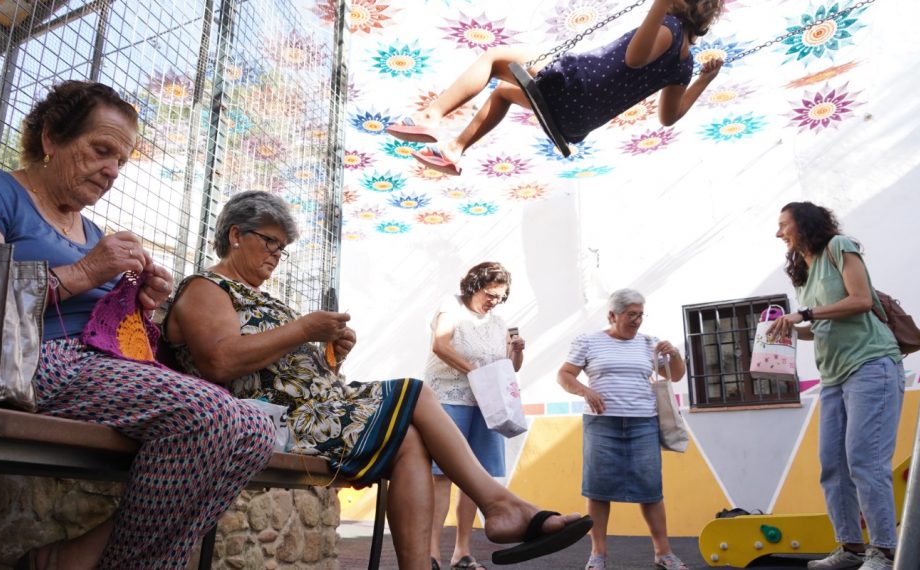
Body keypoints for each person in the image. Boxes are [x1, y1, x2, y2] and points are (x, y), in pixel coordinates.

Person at [0, 80, 276, 570]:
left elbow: (100, 325)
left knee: (254, 431)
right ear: (52, 138)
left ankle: (81, 558)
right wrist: (87, 272)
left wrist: (142, 305)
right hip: (27, 360)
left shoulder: (90, 230)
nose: (112, 171)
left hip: (92, 367)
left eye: (120, 160)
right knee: (207, 412)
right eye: (101, 151)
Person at [162, 191, 593, 569]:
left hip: (315, 414)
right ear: (237, 234)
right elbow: (219, 361)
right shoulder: (207, 288)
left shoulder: (264, 300)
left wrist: (329, 357)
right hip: (273, 423)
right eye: (270, 241)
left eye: (283, 247)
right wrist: (302, 330)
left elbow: (286, 370)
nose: (277, 254)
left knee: (410, 442)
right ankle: (500, 507)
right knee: (414, 391)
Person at [386, 0, 725, 175]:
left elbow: (635, 58)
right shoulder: (685, 64)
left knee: (493, 57)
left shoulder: (667, 24)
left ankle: (431, 115)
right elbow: (670, 116)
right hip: (577, 121)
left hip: (576, 84)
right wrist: (703, 80)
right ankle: (454, 150)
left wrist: (658, 5)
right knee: (504, 92)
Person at [768, 202, 904, 570]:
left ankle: (884, 550)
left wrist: (805, 313)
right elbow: (820, 327)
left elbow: (859, 301)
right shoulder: (803, 272)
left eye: (784, 225)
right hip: (833, 375)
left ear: (804, 224)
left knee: (865, 460)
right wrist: (791, 330)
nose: (779, 233)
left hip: (871, 364)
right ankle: (850, 547)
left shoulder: (839, 247)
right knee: (832, 464)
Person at [555, 288, 689, 570]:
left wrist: (674, 354)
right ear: (612, 315)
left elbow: (675, 374)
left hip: (643, 424)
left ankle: (664, 553)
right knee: (598, 490)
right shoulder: (589, 342)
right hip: (602, 424)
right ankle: (598, 554)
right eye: (631, 315)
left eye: (640, 315)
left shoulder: (649, 343)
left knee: (651, 489)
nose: (637, 320)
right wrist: (585, 391)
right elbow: (564, 374)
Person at [425, 262, 525, 570]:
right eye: (490, 293)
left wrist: (518, 351)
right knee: (441, 477)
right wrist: (475, 371)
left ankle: (462, 553)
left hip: (486, 405)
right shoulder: (451, 306)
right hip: (448, 398)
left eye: (500, 295)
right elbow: (440, 345)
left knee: (474, 479)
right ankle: (430, 554)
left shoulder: (499, 323)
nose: (494, 300)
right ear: (474, 286)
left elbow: (511, 368)